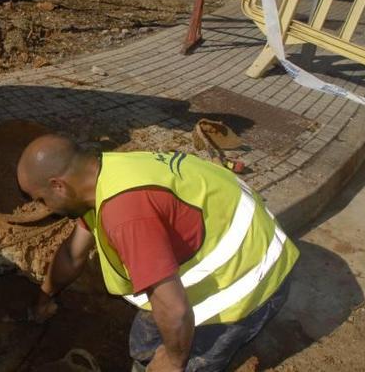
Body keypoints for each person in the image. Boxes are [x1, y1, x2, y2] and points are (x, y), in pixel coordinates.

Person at [17, 134, 299, 371]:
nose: (45, 208)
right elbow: (72, 254)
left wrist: (174, 360)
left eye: (42, 199)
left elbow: (175, 311)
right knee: (144, 348)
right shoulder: (103, 173)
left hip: (251, 279)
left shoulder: (125, 215)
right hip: (225, 246)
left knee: (176, 358)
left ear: (58, 185)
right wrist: (44, 297)